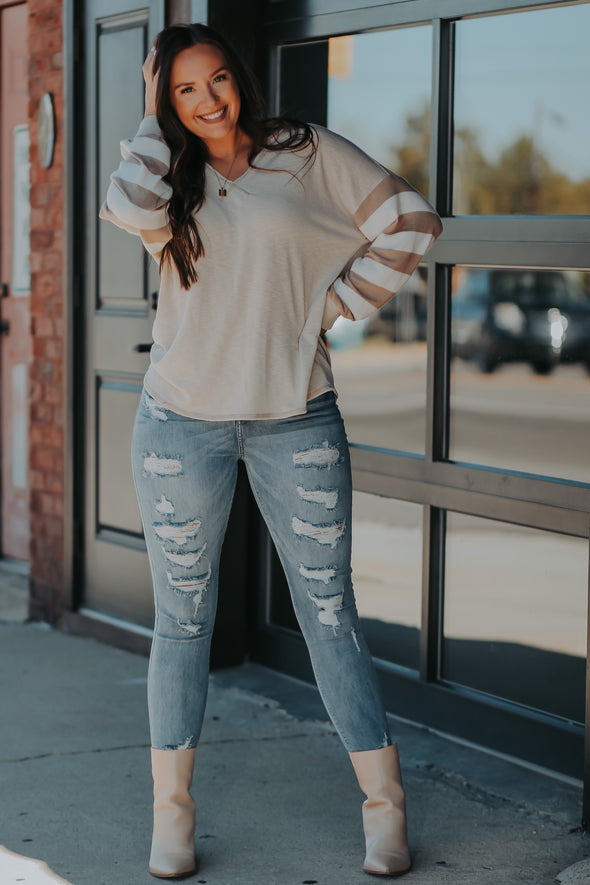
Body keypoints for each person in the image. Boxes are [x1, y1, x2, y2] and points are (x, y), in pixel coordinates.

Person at [100, 22, 442, 880]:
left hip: (297, 416)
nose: (207, 99)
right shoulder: (164, 174)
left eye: (215, 79)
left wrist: (332, 307)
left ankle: (385, 810)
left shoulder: (305, 152)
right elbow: (123, 208)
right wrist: (149, 116)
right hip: (181, 423)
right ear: (166, 99)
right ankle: (171, 818)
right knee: (182, 621)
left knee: (330, 615)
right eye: (183, 89)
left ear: (238, 77)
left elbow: (409, 221)